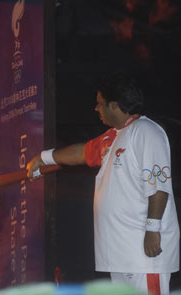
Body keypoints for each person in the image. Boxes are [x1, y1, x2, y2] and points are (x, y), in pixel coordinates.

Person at [27, 72, 179, 295]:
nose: (96, 109)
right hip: (121, 252)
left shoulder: (147, 132)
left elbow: (159, 186)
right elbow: (82, 152)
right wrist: (44, 157)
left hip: (143, 255)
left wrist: (153, 229)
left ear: (114, 105)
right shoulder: (114, 136)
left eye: (100, 104)